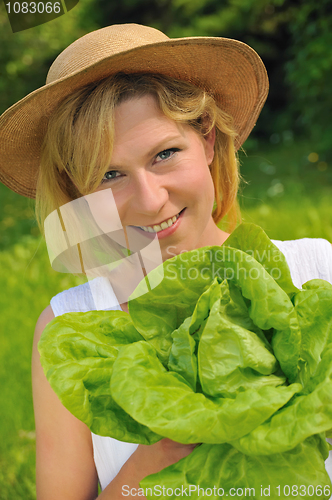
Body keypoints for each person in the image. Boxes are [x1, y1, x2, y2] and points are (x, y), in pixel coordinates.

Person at [0, 23, 332, 500]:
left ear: (209, 141)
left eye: (165, 154)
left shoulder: (317, 271)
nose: (151, 201)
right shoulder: (71, 328)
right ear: (79, 196)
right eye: (110, 174)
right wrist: (162, 452)